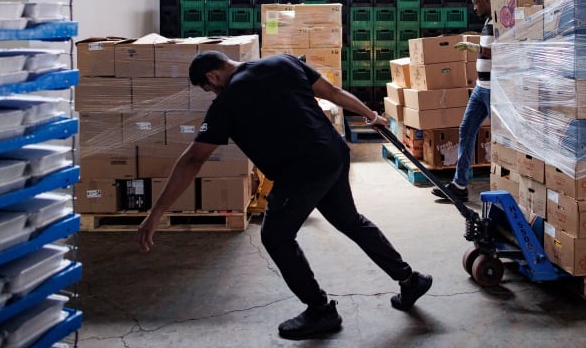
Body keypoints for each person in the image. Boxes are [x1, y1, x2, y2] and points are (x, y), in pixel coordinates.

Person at [138, 51, 432, 340]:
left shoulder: (226, 103)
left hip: (302, 173)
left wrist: (155, 215)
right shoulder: (284, 61)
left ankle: (320, 310)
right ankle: (409, 280)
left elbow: (192, 160)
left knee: (276, 237)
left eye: (209, 89)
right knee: (349, 220)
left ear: (213, 76)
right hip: (333, 154)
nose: (213, 94)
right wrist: (372, 115)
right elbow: (332, 93)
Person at [432, 0, 495, 204]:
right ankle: (459, 185)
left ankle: (504, 184)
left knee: (502, 138)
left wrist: (473, 47)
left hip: (494, 90)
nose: (475, 8)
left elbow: (502, 50)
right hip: (481, 88)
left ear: (487, 0)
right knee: (466, 130)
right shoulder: (488, 22)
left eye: (477, 3)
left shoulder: (502, 21)